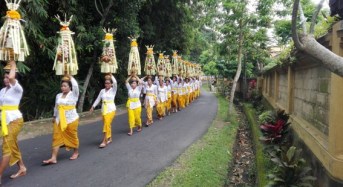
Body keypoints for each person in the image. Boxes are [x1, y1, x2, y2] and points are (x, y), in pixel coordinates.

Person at [43, 75, 80, 165]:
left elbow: (76, 86)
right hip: (59, 120)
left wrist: (70, 77)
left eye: (65, 86)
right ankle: (53, 158)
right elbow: (56, 107)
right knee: (56, 137)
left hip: (71, 119)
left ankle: (76, 152)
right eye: (62, 86)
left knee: (72, 136)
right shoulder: (58, 95)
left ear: (69, 87)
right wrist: (54, 116)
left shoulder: (73, 94)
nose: (63, 88)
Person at [0, 61, 27, 183]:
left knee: (7, 147)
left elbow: (11, 77)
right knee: (12, 145)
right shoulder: (2, 91)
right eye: (4, 77)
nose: (6, 79)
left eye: (8, 76)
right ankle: (22, 167)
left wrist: (13, 63)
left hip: (15, 120)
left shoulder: (17, 88)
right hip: (6, 121)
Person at [90, 74, 117, 148]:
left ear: (111, 84)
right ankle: (109, 137)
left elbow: (115, 83)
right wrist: (93, 106)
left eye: (108, 83)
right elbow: (98, 99)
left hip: (111, 109)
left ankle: (104, 141)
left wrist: (111, 75)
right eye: (106, 83)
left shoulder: (113, 90)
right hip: (104, 109)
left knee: (106, 124)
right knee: (107, 124)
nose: (107, 84)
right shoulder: (102, 91)